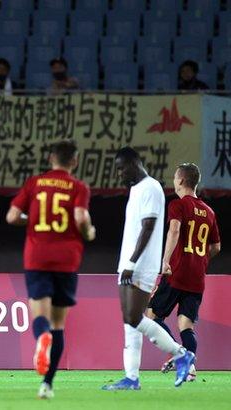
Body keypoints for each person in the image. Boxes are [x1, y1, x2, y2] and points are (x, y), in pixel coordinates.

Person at [6, 140, 96, 399]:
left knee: (41, 318)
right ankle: (47, 384)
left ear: (50, 159)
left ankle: (41, 337)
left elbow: (12, 216)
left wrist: (30, 220)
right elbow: (80, 218)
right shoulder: (78, 187)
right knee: (59, 324)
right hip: (66, 260)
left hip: (38, 257)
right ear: (75, 162)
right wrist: (88, 232)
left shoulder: (35, 183)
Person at [101, 147, 196, 391]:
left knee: (133, 318)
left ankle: (181, 354)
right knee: (129, 322)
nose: (120, 174)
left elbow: (149, 227)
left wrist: (132, 263)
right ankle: (131, 378)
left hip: (141, 265)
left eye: (121, 168)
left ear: (134, 163)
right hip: (128, 264)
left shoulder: (151, 187)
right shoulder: (135, 189)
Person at [146, 163, 221, 382]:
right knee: (185, 324)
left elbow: (175, 230)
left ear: (180, 181)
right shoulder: (209, 212)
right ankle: (190, 368)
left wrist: (165, 260)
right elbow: (216, 247)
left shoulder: (178, 205)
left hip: (177, 272)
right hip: (197, 276)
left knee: (152, 317)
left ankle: (181, 356)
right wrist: (200, 260)